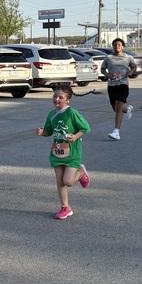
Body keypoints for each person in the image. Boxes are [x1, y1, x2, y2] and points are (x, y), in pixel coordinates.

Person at [36, 83, 91, 219]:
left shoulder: (72, 113)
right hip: (57, 151)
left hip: (72, 152)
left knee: (68, 181)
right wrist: (42, 132)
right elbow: (49, 131)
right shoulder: (52, 114)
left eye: (60, 97)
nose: (56, 99)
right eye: (55, 96)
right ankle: (65, 207)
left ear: (67, 100)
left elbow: (85, 127)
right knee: (60, 181)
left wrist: (75, 136)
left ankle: (81, 172)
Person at [101, 38, 137, 140]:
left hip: (123, 85)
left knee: (118, 107)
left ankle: (116, 132)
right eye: (115, 45)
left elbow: (134, 67)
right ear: (113, 46)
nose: (117, 46)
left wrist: (131, 71)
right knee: (115, 108)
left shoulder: (128, 57)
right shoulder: (108, 57)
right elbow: (102, 69)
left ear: (123, 46)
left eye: (119, 45)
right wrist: (107, 74)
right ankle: (128, 109)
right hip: (112, 85)